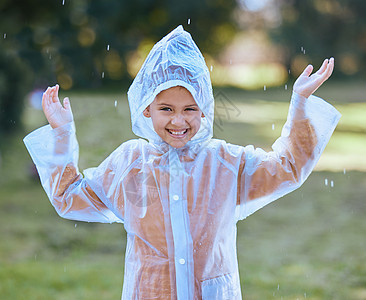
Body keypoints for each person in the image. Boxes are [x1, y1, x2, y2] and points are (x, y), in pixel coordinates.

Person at [24, 25, 341, 299]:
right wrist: (62, 133)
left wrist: (300, 103)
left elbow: (285, 168)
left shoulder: (225, 163)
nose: (178, 121)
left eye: (189, 108)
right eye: (166, 109)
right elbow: (71, 197)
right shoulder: (130, 164)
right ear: (146, 109)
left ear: (204, 109)